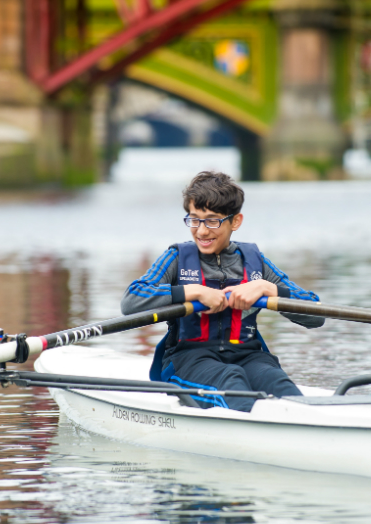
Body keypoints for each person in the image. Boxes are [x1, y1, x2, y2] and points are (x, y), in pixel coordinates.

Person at [121, 171, 324, 412]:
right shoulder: (176, 258)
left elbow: (316, 315)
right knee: (231, 381)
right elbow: (132, 301)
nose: (202, 231)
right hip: (189, 360)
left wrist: (268, 288)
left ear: (235, 221)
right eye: (194, 219)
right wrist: (192, 291)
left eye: (212, 220)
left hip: (249, 357)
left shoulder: (255, 263)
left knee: (281, 387)